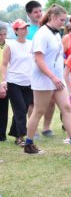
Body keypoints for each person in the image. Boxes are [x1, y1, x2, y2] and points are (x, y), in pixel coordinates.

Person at [24, 4, 71, 154]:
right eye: (61, 20)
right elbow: (39, 60)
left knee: (67, 108)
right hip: (44, 79)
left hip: (57, 78)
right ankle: (28, 144)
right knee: (39, 111)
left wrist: (59, 77)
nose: (64, 23)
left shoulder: (56, 33)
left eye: (64, 20)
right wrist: (53, 77)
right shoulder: (42, 34)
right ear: (52, 17)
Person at [25, 0, 55, 138]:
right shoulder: (26, 31)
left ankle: (46, 127)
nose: (38, 14)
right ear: (29, 14)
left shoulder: (48, 27)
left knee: (51, 101)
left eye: (40, 11)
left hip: (51, 71)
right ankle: (34, 130)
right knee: (34, 103)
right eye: (35, 12)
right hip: (33, 71)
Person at [0, 19, 33, 147]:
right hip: (14, 82)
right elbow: (4, 64)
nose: (25, 30)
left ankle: (15, 132)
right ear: (15, 31)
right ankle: (21, 137)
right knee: (19, 109)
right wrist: (4, 80)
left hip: (29, 82)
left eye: (26, 27)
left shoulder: (31, 44)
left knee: (23, 109)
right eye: (22, 28)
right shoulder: (10, 45)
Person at [0, 25, 8, 142]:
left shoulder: (9, 46)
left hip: (7, 81)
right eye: (0, 34)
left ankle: (2, 135)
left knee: (4, 110)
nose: (2, 37)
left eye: (4, 34)